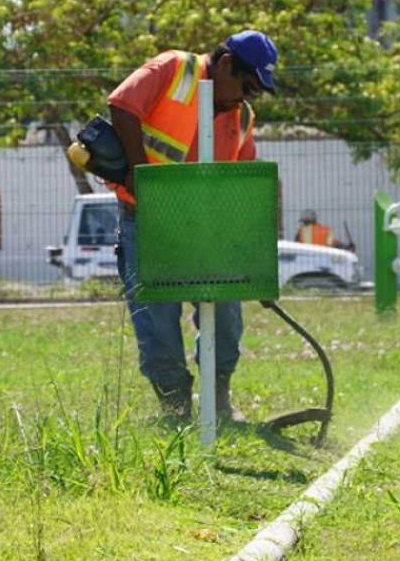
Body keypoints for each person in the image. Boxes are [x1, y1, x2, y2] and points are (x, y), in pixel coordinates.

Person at [108, 30, 278, 423]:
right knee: (157, 321)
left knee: (226, 319)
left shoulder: (243, 118)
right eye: (247, 85)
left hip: (208, 233)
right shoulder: (174, 69)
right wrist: (139, 171)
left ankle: (218, 400)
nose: (247, 98)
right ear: (224, 65)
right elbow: (122, 104)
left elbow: (242, 184)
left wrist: (251, 261)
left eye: (255, 92)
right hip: (147, 221)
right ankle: (175, 406)